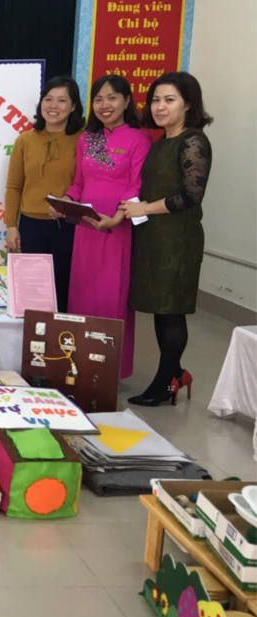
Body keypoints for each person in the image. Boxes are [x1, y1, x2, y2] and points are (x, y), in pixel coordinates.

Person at [120, 72, 213, 406]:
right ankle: (175, 374)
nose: (160, 107)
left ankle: (165, 382)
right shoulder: (160, 142)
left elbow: (190, 195)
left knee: (172, 312)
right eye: (156, 100)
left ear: (188, 104)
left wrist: (145, 207)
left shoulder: (193, 141)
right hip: (154, 236)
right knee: (161, 310)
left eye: (169, 100)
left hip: (178, 239)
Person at [54, 75, 152, 379]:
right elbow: (79, 183)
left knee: (112, 296)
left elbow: (136, 187)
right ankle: (77, 366)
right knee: (81, 294)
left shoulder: (139, 139)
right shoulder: (87, 139)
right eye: (98, 99)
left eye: (112, 98)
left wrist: (117, 219)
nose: (104, 105)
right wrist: (65, 201)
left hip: (116, 228)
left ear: (126, 101)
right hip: (86, 227)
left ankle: (108, 371)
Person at [4, 76, 85, 311]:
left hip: (68, 226)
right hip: (31, 226)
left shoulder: (83, 140)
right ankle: (35, 334)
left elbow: (86, 183)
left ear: (73, 106)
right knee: (33, 293)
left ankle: (63, 333)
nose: (53, 106)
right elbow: (14, 186)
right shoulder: (25, 140)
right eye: (48, 99)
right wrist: (12, 226)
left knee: (64, 289)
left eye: (62, 100)